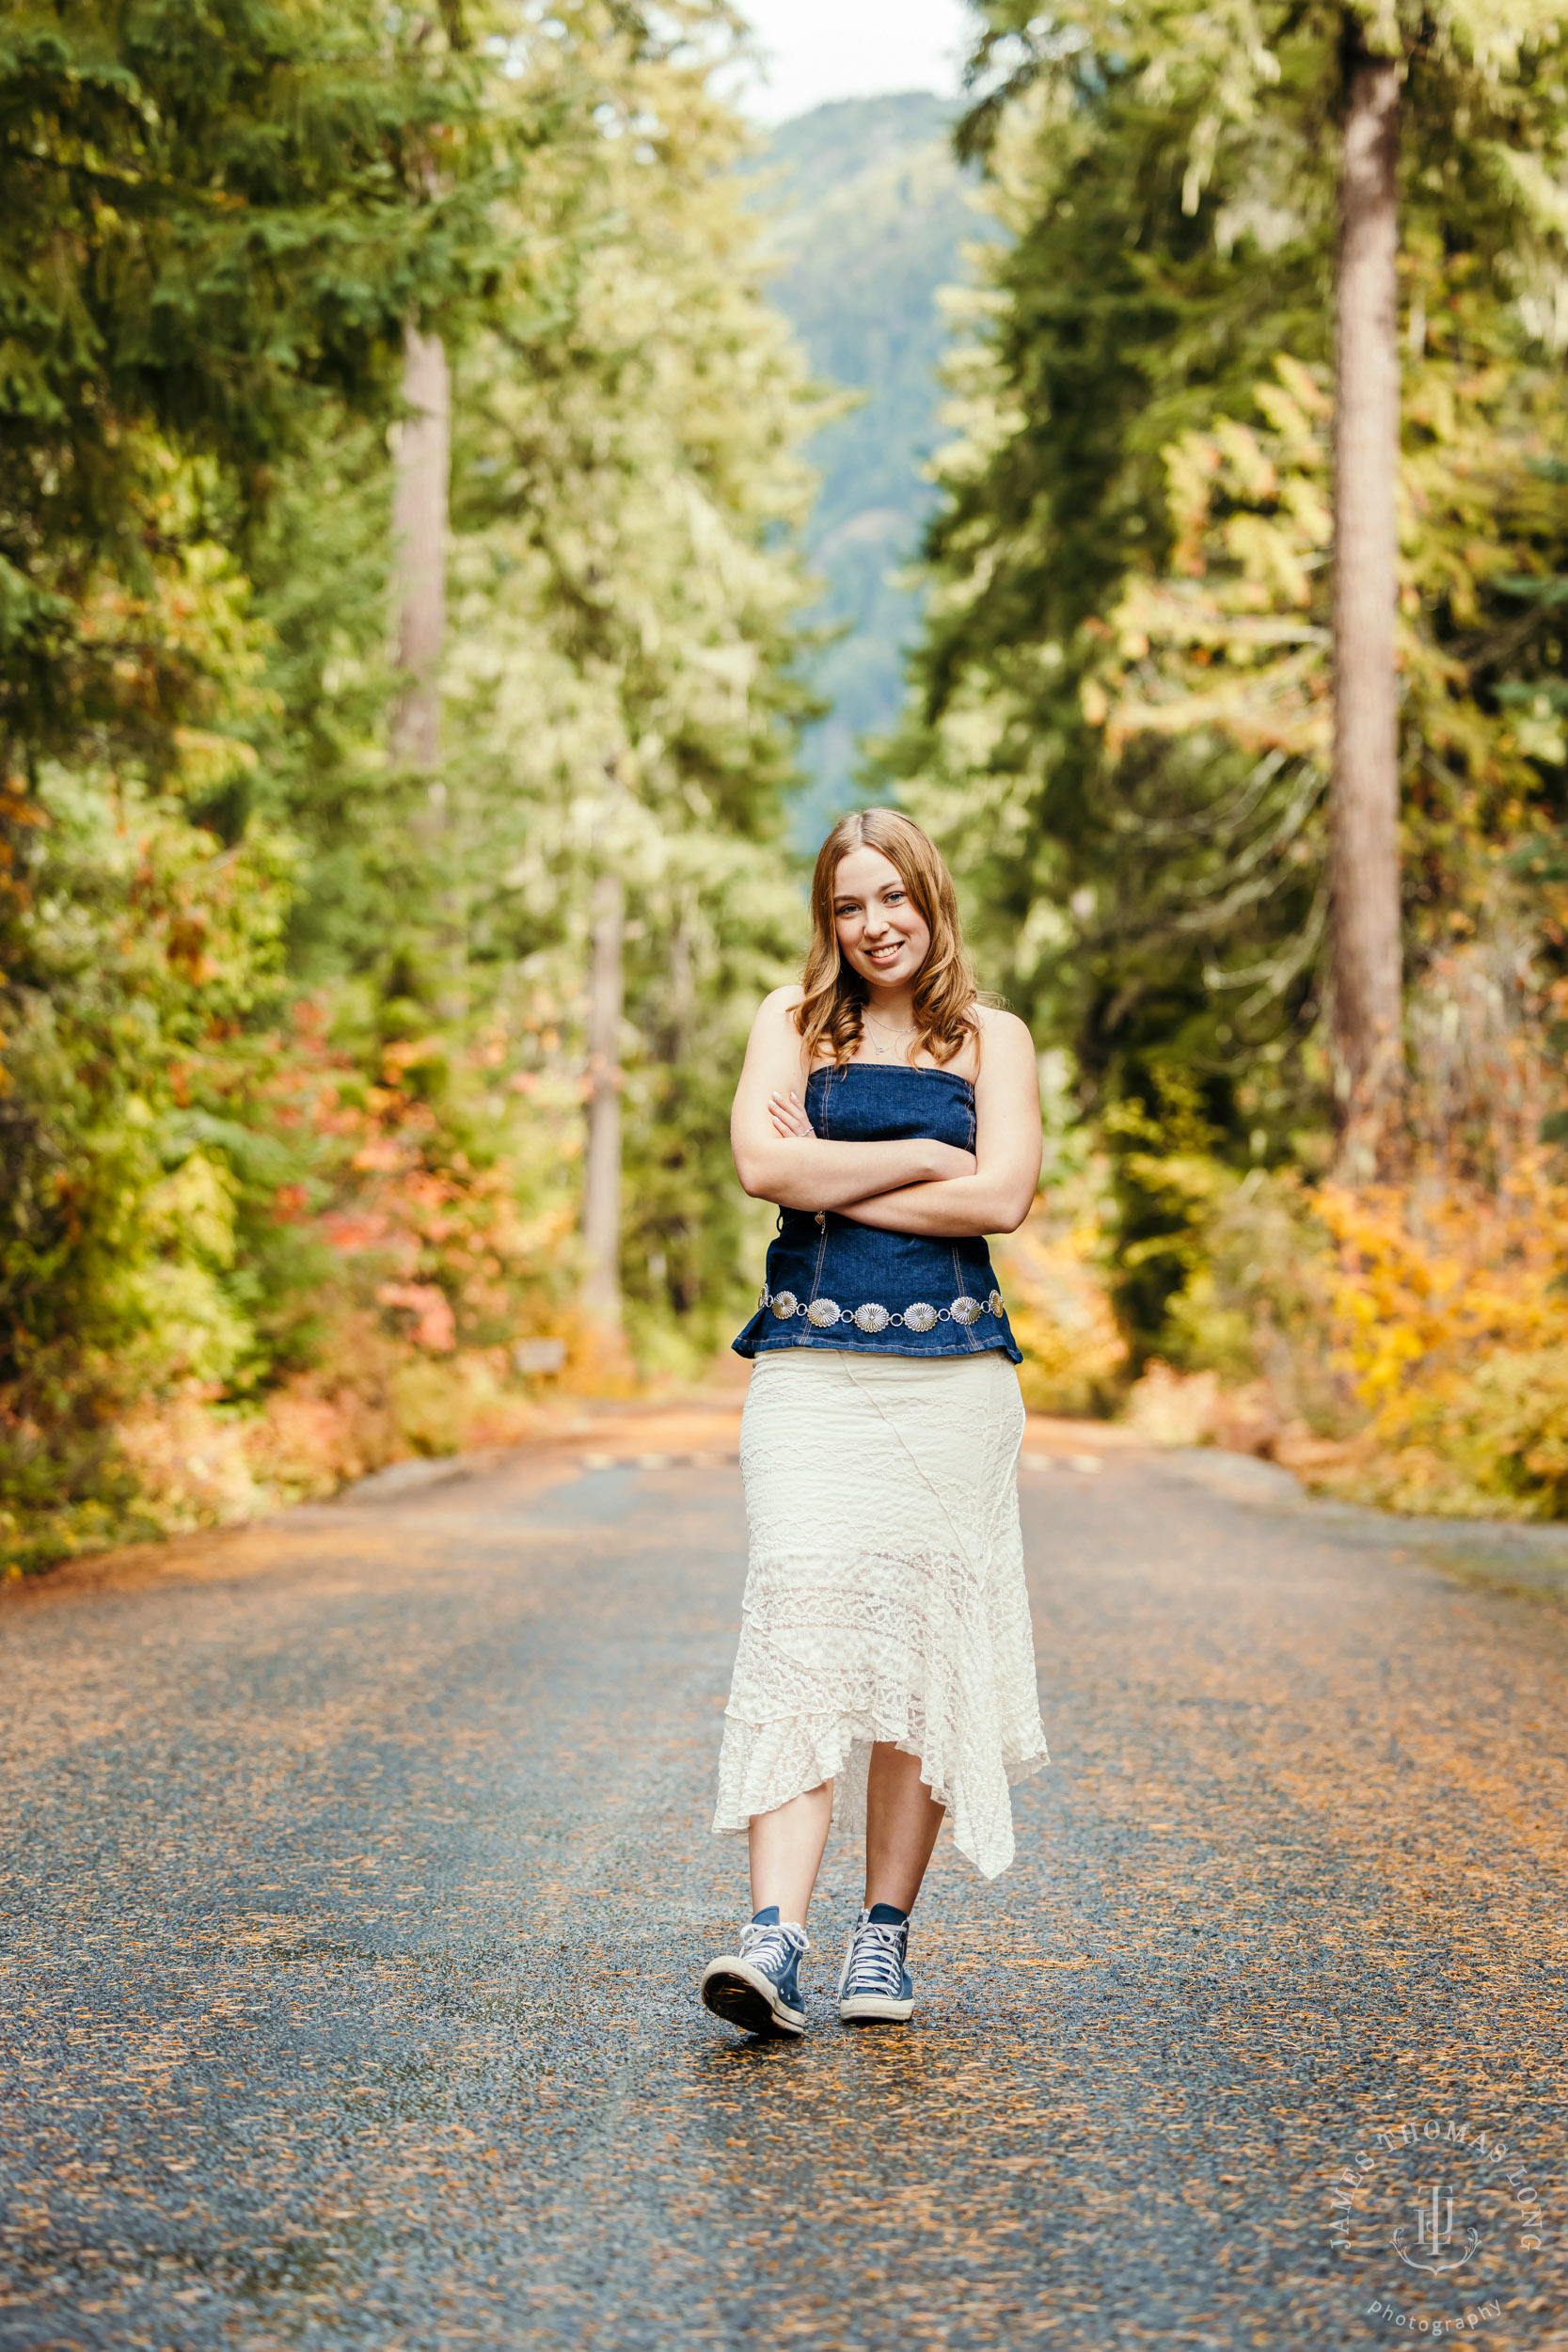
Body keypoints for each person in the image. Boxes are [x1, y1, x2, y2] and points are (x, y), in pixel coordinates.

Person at [700, 808, 1050, 2038]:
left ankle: (881, 1944)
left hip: (954, 1381)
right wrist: (928, 1156)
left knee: (921, 1650)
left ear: (929, 899)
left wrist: (843, 1172)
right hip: (808, 1373)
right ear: (828, 919)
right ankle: (774, 1940)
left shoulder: (994, 1037)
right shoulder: (789, 1024)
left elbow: (1003, 1198)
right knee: (798, 1625)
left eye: (892, 897)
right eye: (849, 905)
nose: (874, 924)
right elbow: (765, 1172)